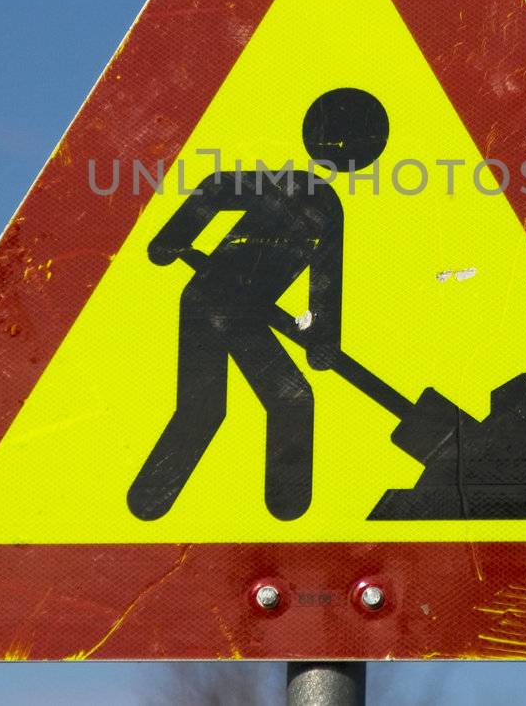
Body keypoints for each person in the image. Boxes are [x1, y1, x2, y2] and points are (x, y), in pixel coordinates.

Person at [126, 87, 389, 521]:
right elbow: (213, 190)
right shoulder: (287, 186)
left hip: (233, 309)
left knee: (214, 408)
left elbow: (325, 283)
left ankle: (274, 511)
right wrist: (171, 239)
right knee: (283, 400)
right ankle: (275, 509)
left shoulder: (326, 208)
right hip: (214, 302)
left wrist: (322, 338)